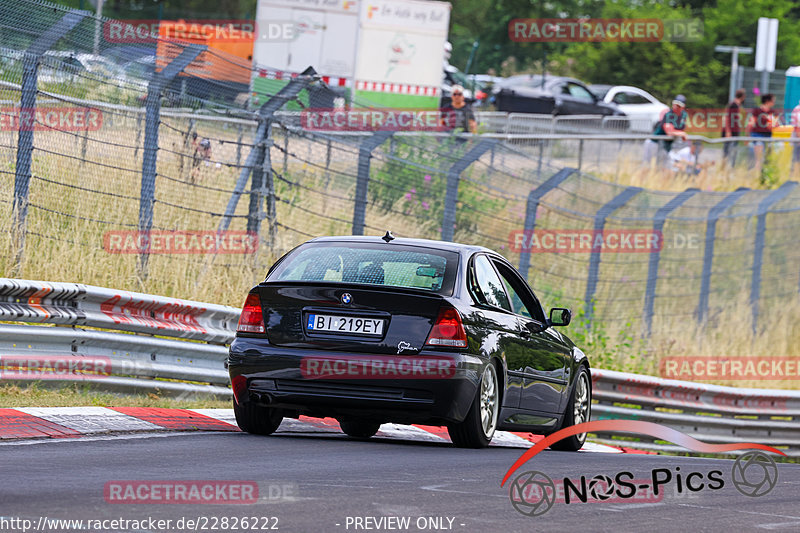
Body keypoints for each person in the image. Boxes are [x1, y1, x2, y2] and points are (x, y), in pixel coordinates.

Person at [644, 94, 689, 168]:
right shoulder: (668, 114)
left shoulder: (683, 115)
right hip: (654, 142)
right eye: (675, 104)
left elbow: (681, 129)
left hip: (666, 145)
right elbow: (669, 132)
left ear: (683, 107)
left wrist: (681, 134)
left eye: (679, 106)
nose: (676, 107)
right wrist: (681, 133)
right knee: (647, 166)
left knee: (664, 166)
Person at [746, 93, 779, 173]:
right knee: (759, 158)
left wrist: (772, 123)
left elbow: (774, 125)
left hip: (768, 136)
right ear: (767, 101)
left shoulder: (772, 112)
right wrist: (747, 136)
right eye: (773, 100)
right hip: (757, 135)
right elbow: (751, 123)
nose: (774, 102)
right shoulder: (757, 111)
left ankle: (764, 174)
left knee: (767, 158)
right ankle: (757, 175)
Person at [721, 88, 746, 167]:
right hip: (730, 132)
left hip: (735, 131)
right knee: (727, 151)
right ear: (742, 97)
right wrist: (728, 131)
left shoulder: (738, 105)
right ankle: (724, 167)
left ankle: (731, 167)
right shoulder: (733, 105)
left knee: (733, 150)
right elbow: (727, 117)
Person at [791, 99, 800, 176]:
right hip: (797, 139)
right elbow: (796, 127)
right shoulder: (797, 110)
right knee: (796, 159)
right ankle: (794, 175)